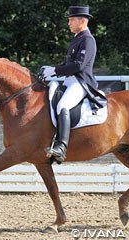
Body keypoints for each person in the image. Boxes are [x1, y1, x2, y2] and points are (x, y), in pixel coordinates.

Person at [41, 6, 99, 163]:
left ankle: (61, 146)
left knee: (63, 106)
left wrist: (55, 70)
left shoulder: (87, 39)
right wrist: (52, 70)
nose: (69, 23)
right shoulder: (77, 38)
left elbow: (79, 65)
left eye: (71, 20)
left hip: (81, 82)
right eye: (69, 20)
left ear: (82, 20)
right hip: (69, 81)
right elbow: (68, 63)